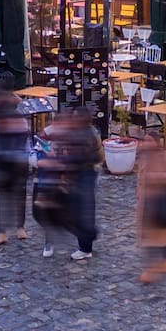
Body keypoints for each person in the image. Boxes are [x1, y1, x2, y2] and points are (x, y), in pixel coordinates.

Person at [44, 107, 101, 260]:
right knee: (78, 210)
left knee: (82, 211)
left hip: (84, 175)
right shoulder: (84, 132)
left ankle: (86, 243)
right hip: (79, 175)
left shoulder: (86, 134)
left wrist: (61, 161)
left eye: (76, 117)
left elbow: (83, 157)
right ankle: (87, 238)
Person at [0, 89, 30, 246]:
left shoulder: (10, 120)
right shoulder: (17, 119)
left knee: (9, 197)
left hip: (12, 162)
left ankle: (6, 231)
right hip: (15, 162)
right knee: (14, 196)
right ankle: (16, 229)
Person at [134, 134, 166, 283]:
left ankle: (155, 266)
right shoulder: (144, 157)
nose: (146, 144)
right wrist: (139, 192)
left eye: (149, 141)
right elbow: (140, 178)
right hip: (147, 202)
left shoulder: (164, 157)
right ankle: (160, 262)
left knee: (157, 235)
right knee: (150, 235)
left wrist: (152, 178)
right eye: (145, 140)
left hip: (160, 201)